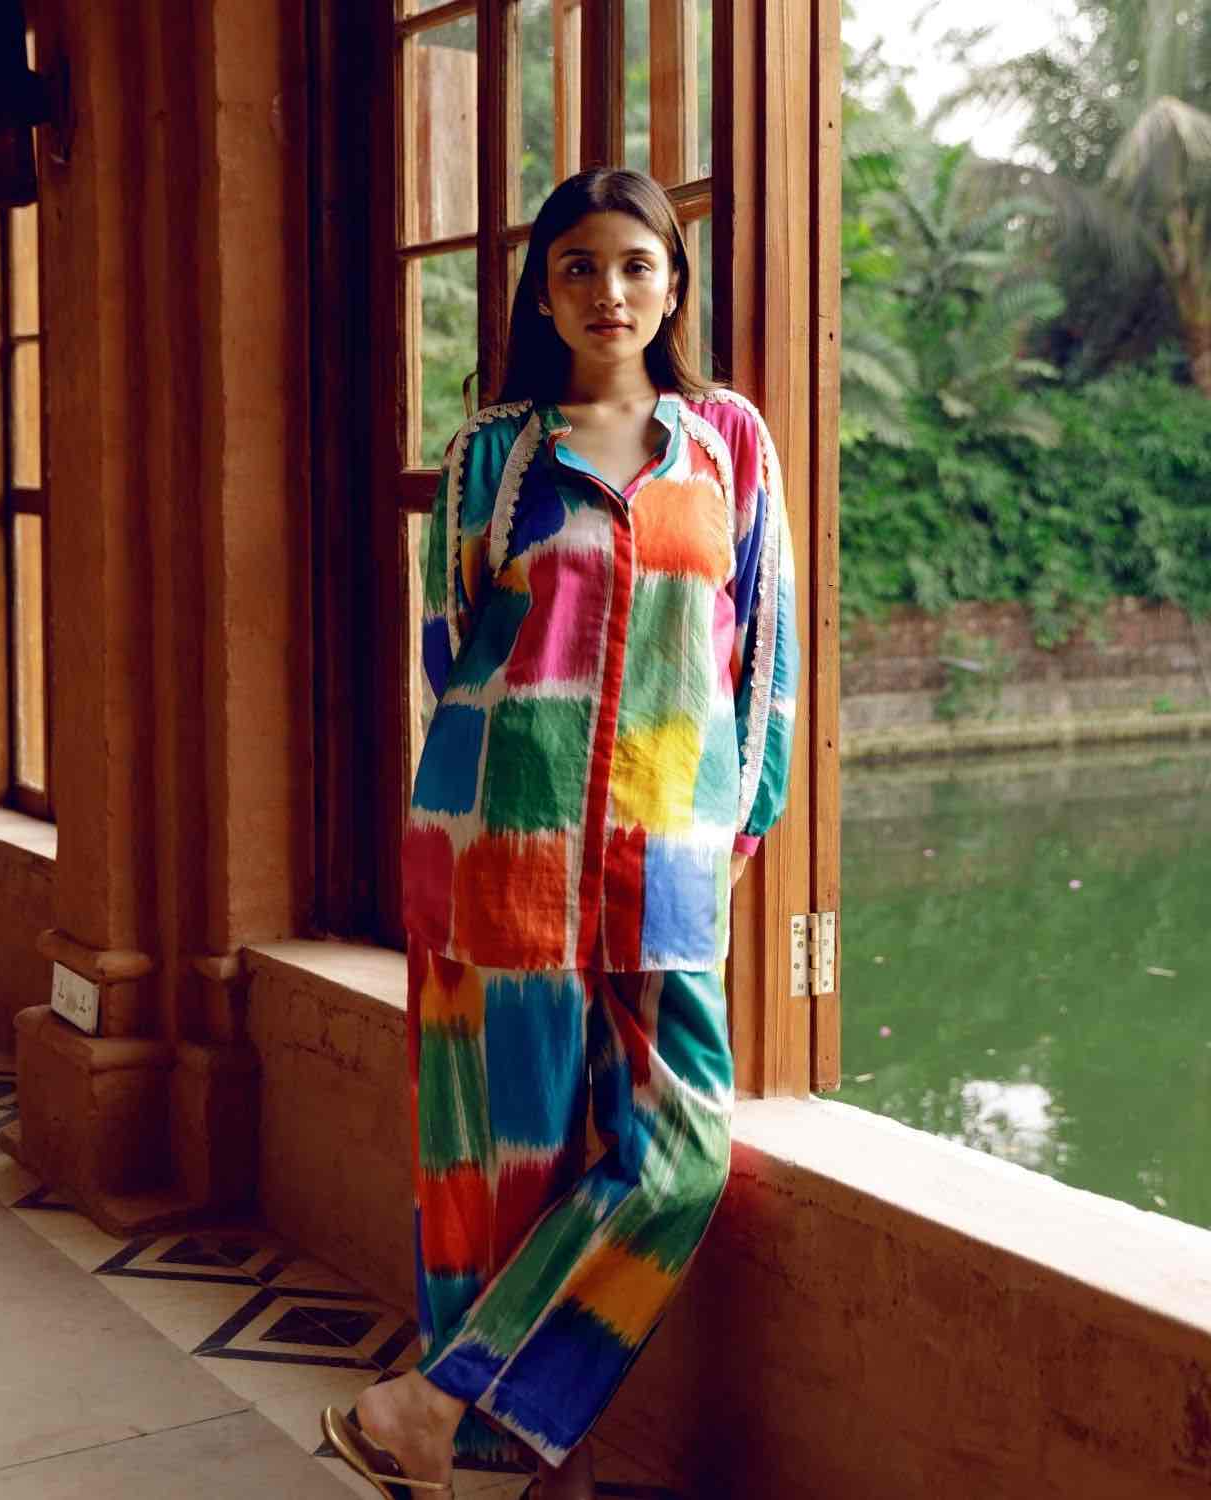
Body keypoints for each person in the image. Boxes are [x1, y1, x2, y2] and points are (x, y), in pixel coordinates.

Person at [322, 166, 798, 1500]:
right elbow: (449, 652)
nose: (609, 290)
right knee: (501, 1167)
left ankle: (433, 1407)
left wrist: (733, 832)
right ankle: (537, 1466)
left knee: (680, 1156)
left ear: (675, 287)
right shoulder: (494, 454)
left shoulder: (729, 443)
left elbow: (766, 660)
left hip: (667, 854)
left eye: (637, 264)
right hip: (499, 844)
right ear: (542, 290)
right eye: (579, 265)